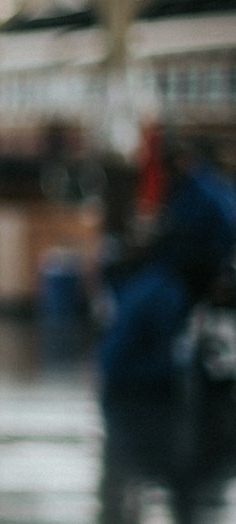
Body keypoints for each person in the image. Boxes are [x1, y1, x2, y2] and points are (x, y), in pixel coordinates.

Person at [99, 136, 236, 387]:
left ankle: (154, 371)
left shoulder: (200, 192)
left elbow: (204, 238)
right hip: (180, 273)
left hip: (181, 276)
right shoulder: (206, 188)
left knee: (135, 314)